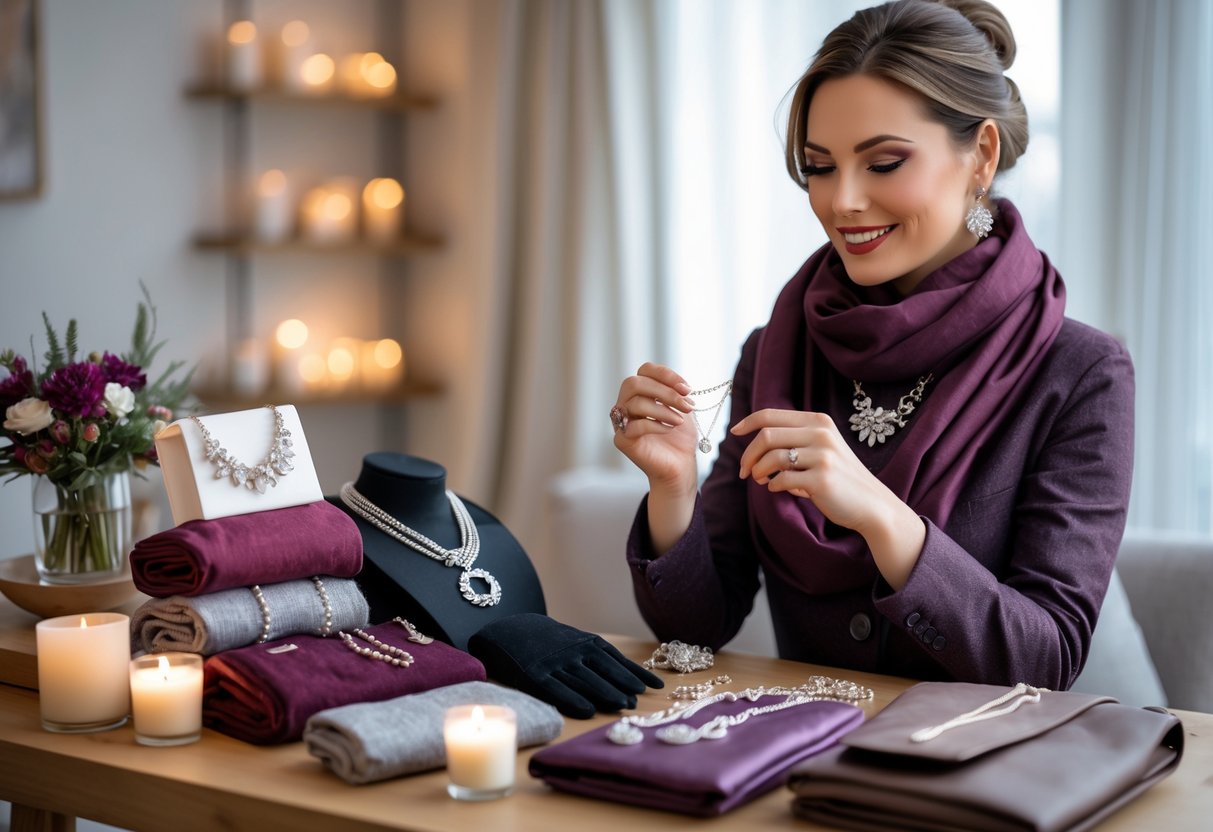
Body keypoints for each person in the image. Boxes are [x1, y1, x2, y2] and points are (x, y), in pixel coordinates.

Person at [610, 0, 1133, 690]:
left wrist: (883, 517)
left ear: (979, 154)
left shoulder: (1081, 373)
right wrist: (673, 489)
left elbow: (1045, 662)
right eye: (818, 167)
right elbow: (694, 633)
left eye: (883, 162)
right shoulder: (774, 351)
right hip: (802, 768)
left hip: (977, 777)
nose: (841, 202)